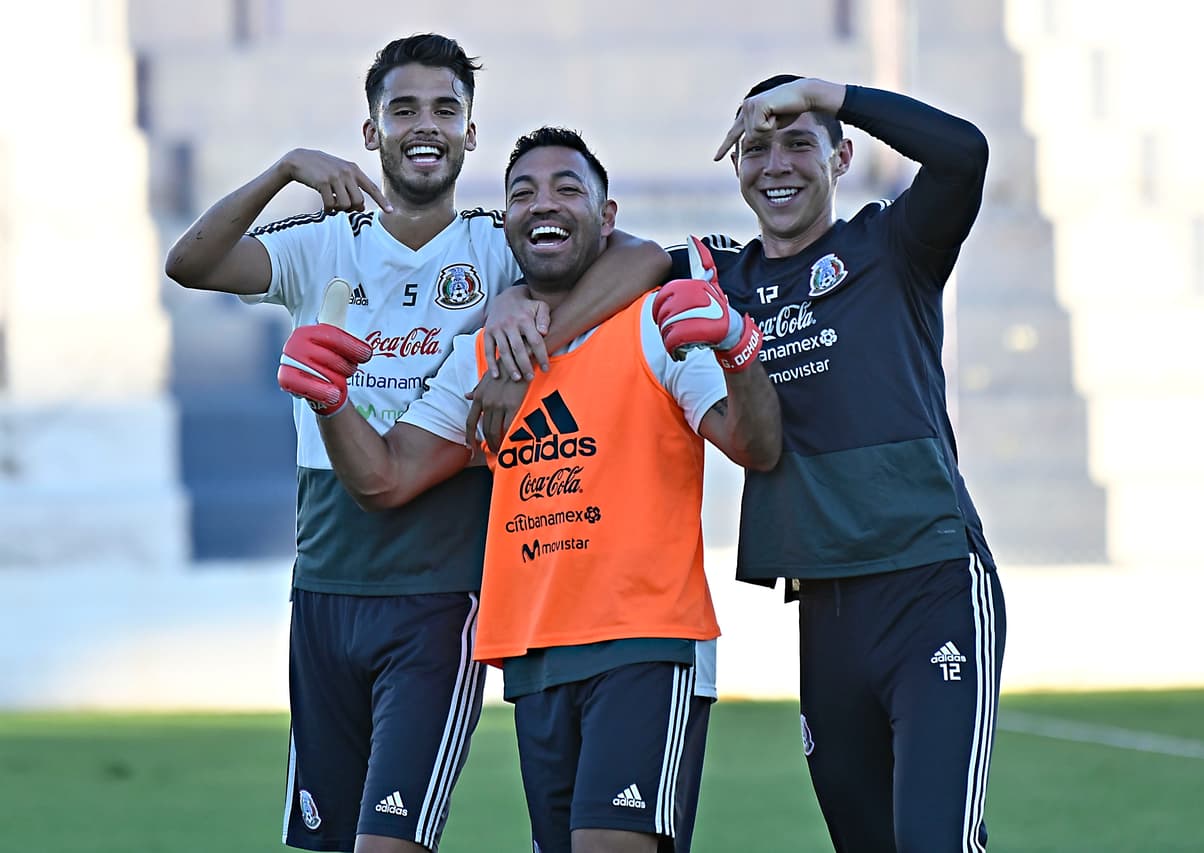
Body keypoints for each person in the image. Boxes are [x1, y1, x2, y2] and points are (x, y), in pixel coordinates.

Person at [163, 34, 668, 853]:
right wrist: (285, 167)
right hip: (324, 584)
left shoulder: (497, 241)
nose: (423, 125)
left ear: (470, 133)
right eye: (403, 109)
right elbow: (191, 263)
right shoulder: (323, 241)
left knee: (390, 842)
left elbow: (641, 257)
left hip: (441, 591)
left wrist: (530, 320)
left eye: (445, 109)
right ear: (372, 133)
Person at [281, 126, 781, 853]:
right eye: (523, 192)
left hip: (646, 640)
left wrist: (736, 349)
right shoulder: (476, 355)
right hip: (535, 653)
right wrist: (331, 401)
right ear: (506, 223)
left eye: (569, 188)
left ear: (607, 217)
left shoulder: (655, 323)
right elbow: (385, 479)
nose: (544, 203)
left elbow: (754, 445)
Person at [673, 75, 1007, 852]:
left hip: (930, 585)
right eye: (756, 146)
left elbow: (964, 154)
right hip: (824, 608)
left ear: (842, 156)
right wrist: (520, 304)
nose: (776, 164)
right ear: (735, 167)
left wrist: (833, 91)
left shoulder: (892, 246)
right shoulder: (727, 281)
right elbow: (604, 260)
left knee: (936, 840)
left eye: (799, 140)